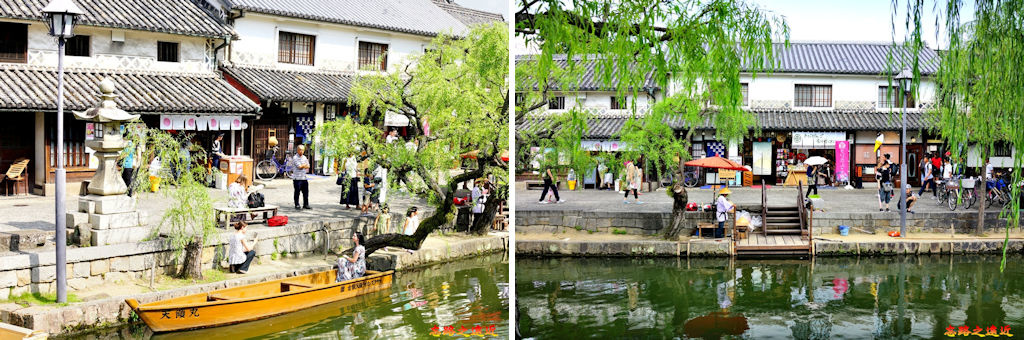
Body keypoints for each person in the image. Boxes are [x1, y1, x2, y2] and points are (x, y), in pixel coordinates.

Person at [287, 145, 311, 210]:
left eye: (303, 150)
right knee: (297, 192)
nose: (302, 151)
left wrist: (304, 166)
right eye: (300, 150)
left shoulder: (304, 157)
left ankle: (306, 204)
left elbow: (308, 166)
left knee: (306, 192)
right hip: (297, 178)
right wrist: (304, 166)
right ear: (297, 150)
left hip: (304, 177)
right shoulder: (295, 158)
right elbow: (299, 167)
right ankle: (297, 204)